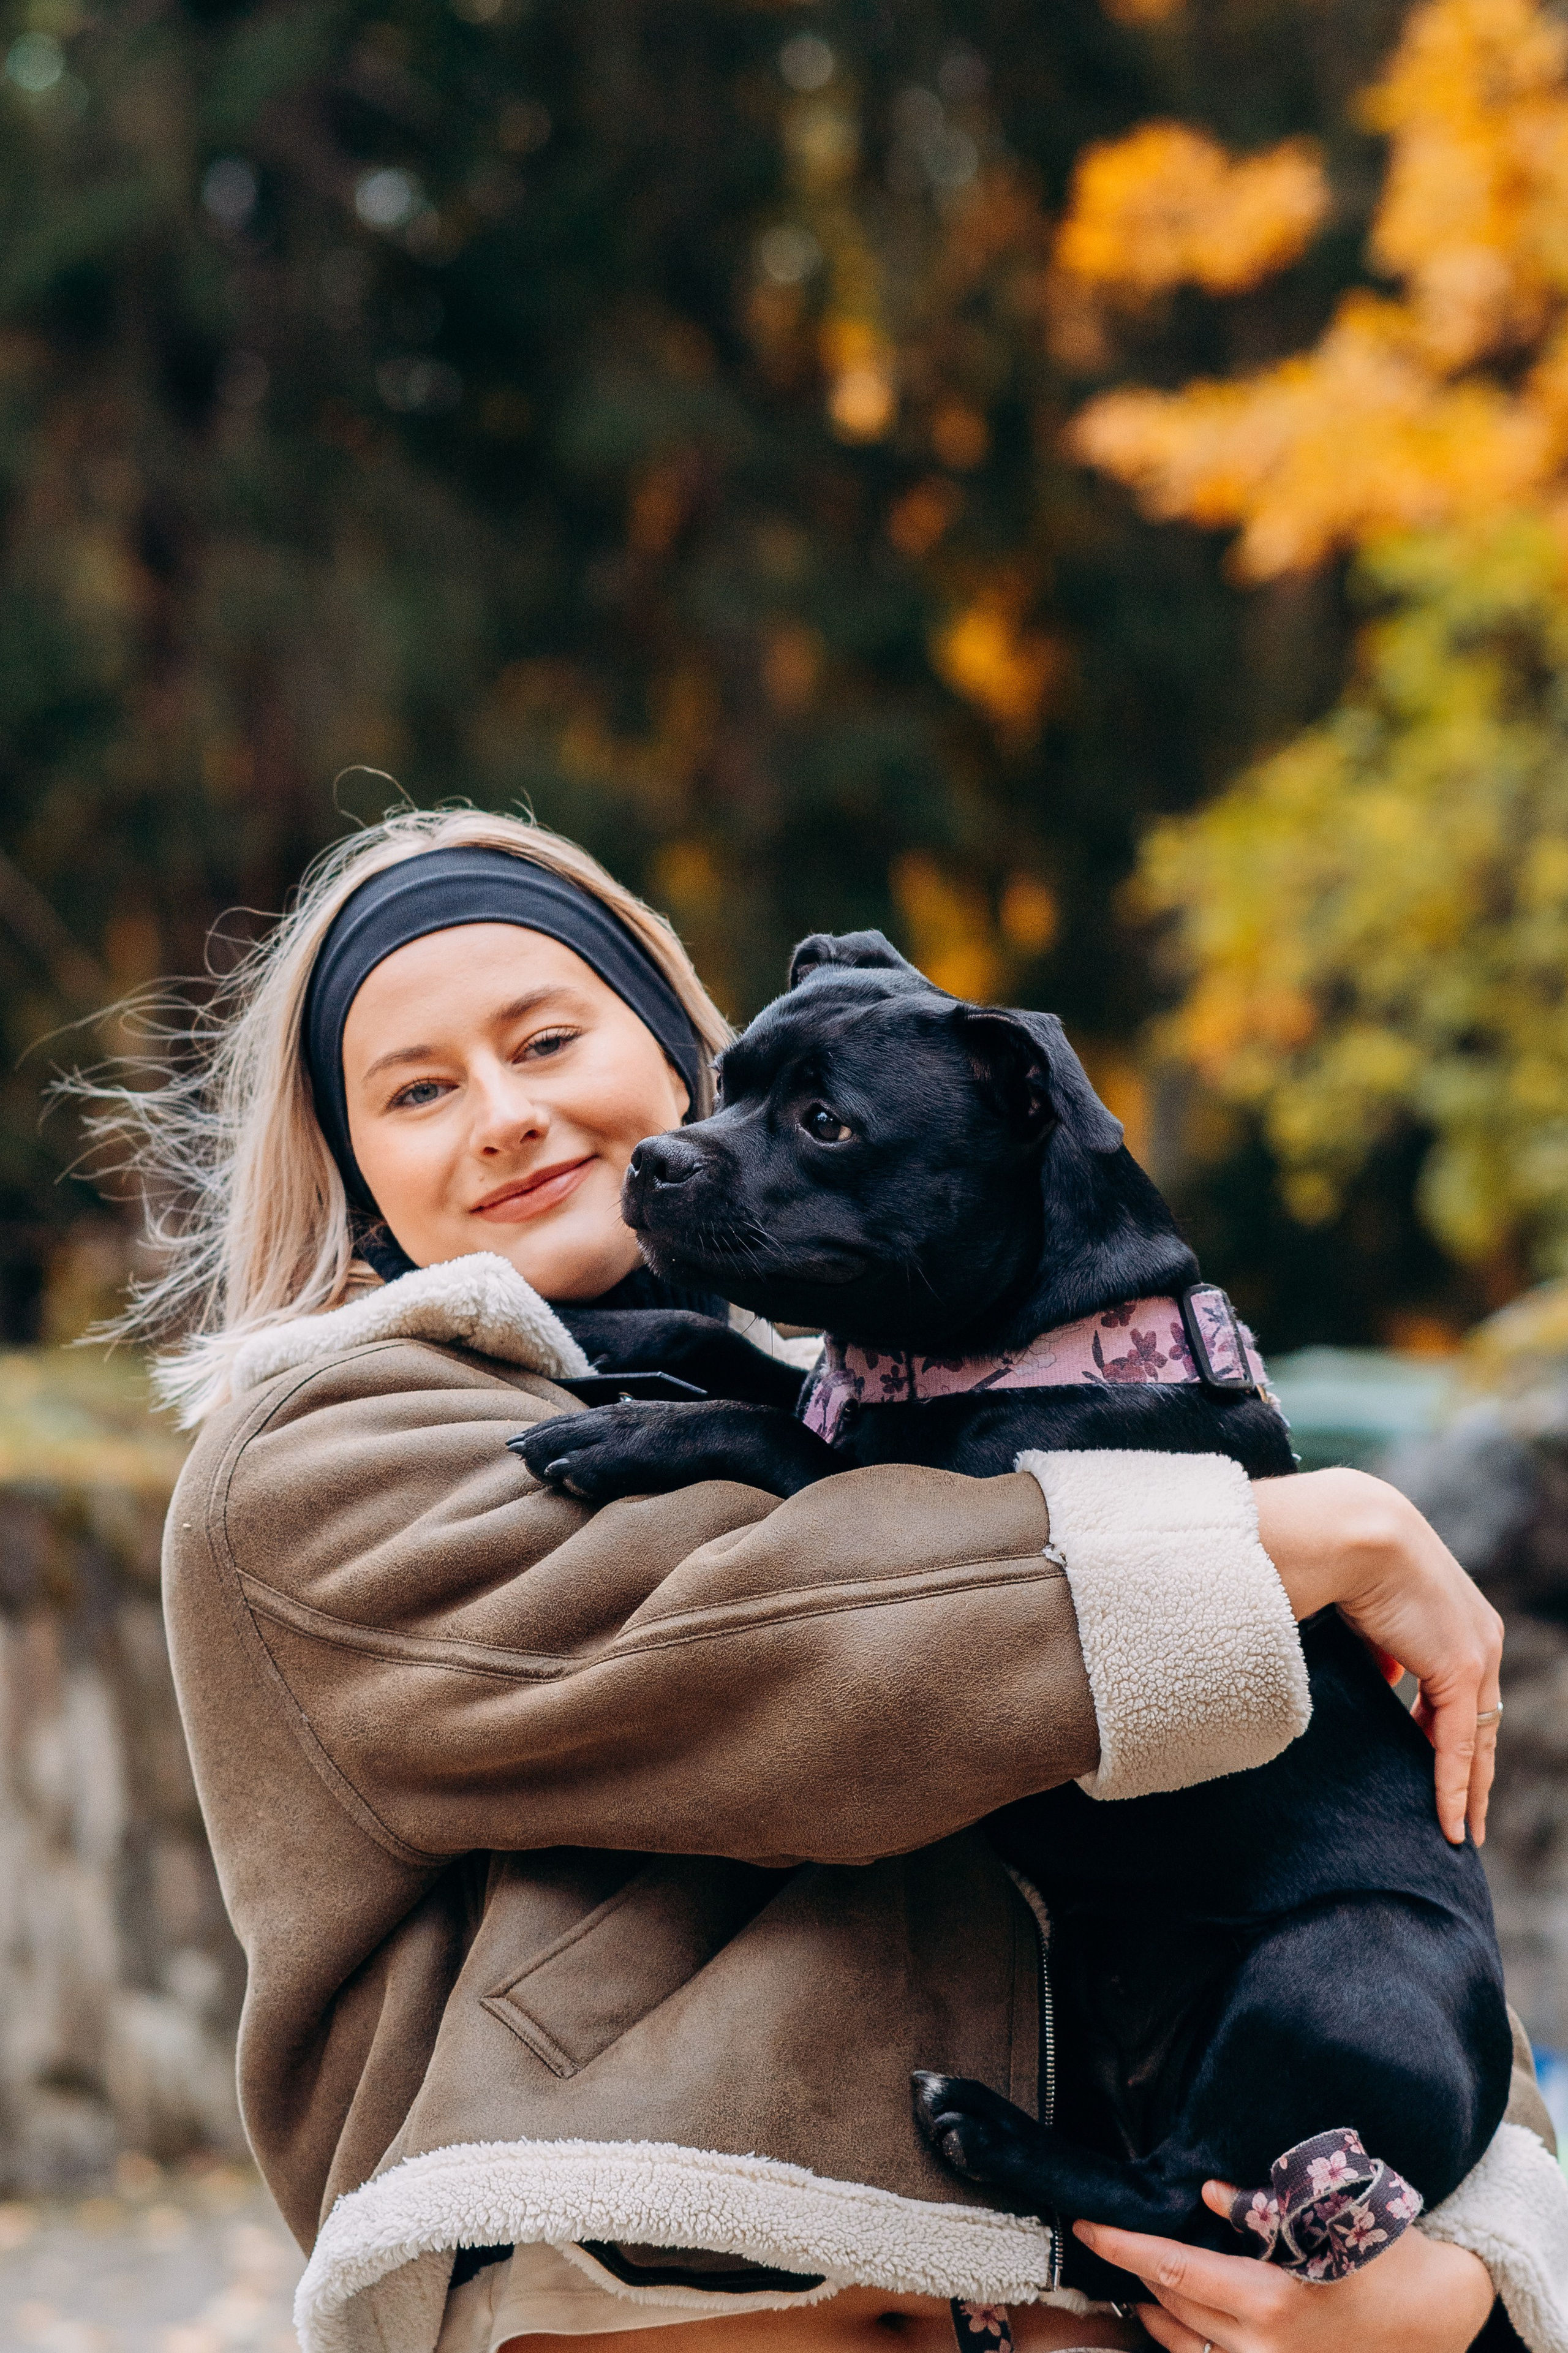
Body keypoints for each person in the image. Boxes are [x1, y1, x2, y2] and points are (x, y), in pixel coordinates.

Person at [98, 809, 1564, 2353]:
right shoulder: (321, 1453)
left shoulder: (922, 1387)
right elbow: (784, 1650)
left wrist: (1446, 2280)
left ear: (677, 1056)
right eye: (416, 1089)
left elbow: (1392, 1910)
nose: (506, 1113)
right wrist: (1281, 1538)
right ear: (352, 1168)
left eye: (546, 1037)